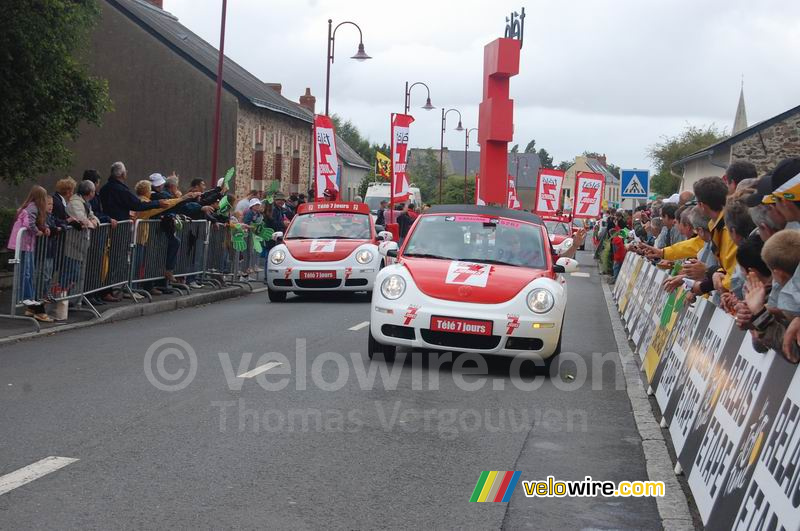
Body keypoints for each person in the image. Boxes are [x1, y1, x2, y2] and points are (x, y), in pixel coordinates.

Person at [8, 185, 53, 322]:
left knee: (29, 271)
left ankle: (29, 298)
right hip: (24, 245)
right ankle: (27, 297)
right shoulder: (32, 208)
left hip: (26, 244)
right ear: (40, 198)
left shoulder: (30, 207)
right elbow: (29, 224)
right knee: (26, 272)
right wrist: (37, 232)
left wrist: (42, 228)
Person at [99, 161, 166, 222]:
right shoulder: (122, 190)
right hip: (120, 225)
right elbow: (137, 205)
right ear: (123, 174)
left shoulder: (103, 189)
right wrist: (157, 203)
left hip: (107, 223)